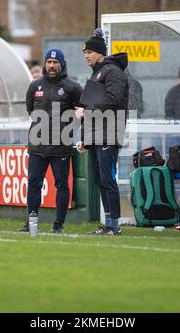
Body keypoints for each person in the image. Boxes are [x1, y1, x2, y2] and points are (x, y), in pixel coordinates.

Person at [19, 48, 83, 233]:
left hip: (60, 146)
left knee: (61, 185)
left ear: (62, 64)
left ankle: (58, 224)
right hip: (37, 145)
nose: (52, 65)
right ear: (45, 64)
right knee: (33, 184)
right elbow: (31, 109)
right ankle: (31, 222)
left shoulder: (73, 87)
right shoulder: (35, 85)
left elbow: (81, 114)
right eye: (49, 62)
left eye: (56, 62)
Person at [75, 28, 128, 236]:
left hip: (109, 132)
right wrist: (82, 137)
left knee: (108, 179)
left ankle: (114, 224)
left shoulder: (113, 71)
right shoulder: (97, 73)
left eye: (89, 52)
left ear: (99, 52)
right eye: (84, 53)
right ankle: (109, 223)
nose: (86, 56)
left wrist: (86, 111)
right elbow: (90, 105)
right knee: (99, 180)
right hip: (96, 134)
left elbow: (112, 100)